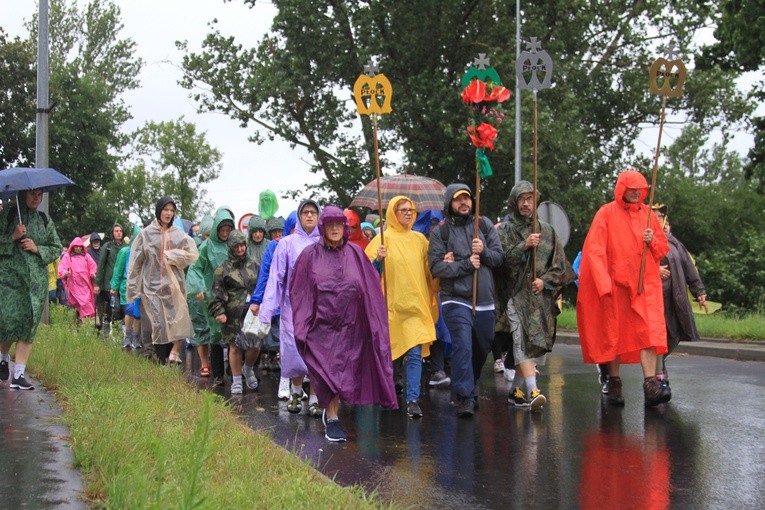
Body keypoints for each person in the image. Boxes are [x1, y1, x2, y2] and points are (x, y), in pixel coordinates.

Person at [291, 206, 397, 441]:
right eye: (330, 224)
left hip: (351, 326)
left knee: (344, 372)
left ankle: (334, 414)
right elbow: (299, 292)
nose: (335, 228)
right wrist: (302, 324)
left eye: (339, 224)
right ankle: (333, 417)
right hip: (321, 328)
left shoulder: (356, 254)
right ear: (323, 228)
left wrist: (378, 262)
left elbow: (369, 286)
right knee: (328, 373)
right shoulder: (309, 255)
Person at [577, 170, 671, 407]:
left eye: (640, 188)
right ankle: (614, 381)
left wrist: (653, 241)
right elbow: (594, 251)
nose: (636, 192)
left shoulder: (649, 216)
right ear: (621, 189)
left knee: (648, 334)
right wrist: (603, 284)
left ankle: (651, 384)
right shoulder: (606, 214)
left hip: (644, 287)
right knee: (614, 336)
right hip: (616, 287)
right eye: (631, 188)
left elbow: (662, 250)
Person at [428, 184, 504, 417]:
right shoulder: (441, 232)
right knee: (462, 345)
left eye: (467, 199)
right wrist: (465, 263)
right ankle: (465, 396)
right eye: (458, 199)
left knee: (482, 348)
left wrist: (483, 252)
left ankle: (470, 382)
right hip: (456, 300)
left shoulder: (484, 224)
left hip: (485, 299)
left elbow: (499, 258)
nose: (464, 203)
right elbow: (436, 267)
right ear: (450, 203)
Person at [497, 181, 574, 411]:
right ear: (514, 201)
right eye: (522, 199)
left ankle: (516, 390)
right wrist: (523, 246)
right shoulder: (505, 230)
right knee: (521, 340)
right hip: (514, 296)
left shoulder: (548, 232)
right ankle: (533, 389)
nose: (526, 203)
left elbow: (562, 268)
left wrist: (545, 281)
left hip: (540, 299)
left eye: (530, 198)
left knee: (535, 344)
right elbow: (499, 262)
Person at [366, 197, 438, 418]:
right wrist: (377, 260)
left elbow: (431, 270)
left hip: (415, 308)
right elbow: (367, 277)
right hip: (389, 309)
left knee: (415, 354)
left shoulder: (420, 240)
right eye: (403, 210)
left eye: (411, 210)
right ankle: (386, 393)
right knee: (390, 355)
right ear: (392, 213)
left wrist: (445, 263)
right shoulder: (381, 240)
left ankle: (412, 400)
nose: (409, 213)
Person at [258, 200, 323, 417]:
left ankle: (315, 397)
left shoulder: (324, 242)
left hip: (320, 307)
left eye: (314, 212)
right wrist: (267, 310)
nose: (310, 216)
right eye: (305, 212)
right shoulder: (286, 244)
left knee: (317, 352)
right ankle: (296, 391)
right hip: (292, 306)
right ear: (299, 216)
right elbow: (276, 277)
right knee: (295, 350)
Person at [0, 189, 63, 390]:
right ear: (22, 195)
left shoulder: (44, 220)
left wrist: (37, 248)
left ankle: (19, 375)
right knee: (9, 322)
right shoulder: (8, 216)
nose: (36, 198)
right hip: (10, 281)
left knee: (29, 325)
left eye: (39, 195)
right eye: (32, 194)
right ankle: (3, 358)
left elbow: (56, 247)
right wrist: (12, 236)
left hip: (35, 282)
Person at [126, 197, 199, 362]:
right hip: (151, 288)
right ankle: (161, 362)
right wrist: (133, 289)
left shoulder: (178, 234)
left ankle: (168, 358)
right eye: (165, 209)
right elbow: (136, 262)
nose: (169, 213)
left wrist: (174, 256)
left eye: (172, 210)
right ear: (159, 211)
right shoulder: (146, 234)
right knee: (158, 324)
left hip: (172, 287)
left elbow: (192, 254)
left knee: (172, 324)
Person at [652, 205, 709, 394]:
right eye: (654, 215)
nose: (658, 219)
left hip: (676, 297)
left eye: (661, 216)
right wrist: (654, 269)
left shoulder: (673, 242)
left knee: (675, 335)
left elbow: (688, 267)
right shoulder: (642, 239)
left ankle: (658, 367)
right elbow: (631, 264)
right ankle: (657, 376)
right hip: (653, 298)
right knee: (658, 336)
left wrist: (698, 290)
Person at [186, 208, 236, 379]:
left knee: (232, 332)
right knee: (215, 333)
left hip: (232, 294)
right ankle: (218, 375)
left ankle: (233, 369)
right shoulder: (207, 246)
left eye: (228, 230)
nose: (225, 233)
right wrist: (198, 288)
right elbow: (195, 267)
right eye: (222, 230)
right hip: (213, 295)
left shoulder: (234, 243)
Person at [209, 230, 261, 394]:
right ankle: (237, 380)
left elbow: (264, 285)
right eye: (236, 246)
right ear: (230, 248)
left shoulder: (255, 264)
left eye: (242, 245)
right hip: (232, 314)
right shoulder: (222, 269)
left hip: (253, 312)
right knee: (235, 347)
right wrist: (219, 312)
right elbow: (216, 294)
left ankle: (248, 368)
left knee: (255, 345)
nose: (240, 249)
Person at [249, 213, 293, 384]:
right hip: (273, 298)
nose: (277, 235)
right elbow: (266, 274)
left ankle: (292, 377)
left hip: (294, 301)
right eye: (274, 232)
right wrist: (257, 299)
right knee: (266, 335)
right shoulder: (273, 246)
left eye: (280, 231)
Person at [110, 223, 143, 350]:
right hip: (127, 286)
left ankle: (136, 337)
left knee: (138, 313)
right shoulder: (125, 252)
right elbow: (118, 270)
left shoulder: (143, 252)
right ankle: (128, 336)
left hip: (140, 287)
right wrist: (114, 286)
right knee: (129, 310)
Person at [94, 223, 126, 332]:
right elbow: (101, 265)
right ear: (112, 233)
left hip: (122, 283)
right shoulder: (107, 246)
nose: (119, 233)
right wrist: (97, 284)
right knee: (112, 309)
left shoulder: (125, 247)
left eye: (120, 231)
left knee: (121, 309)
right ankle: (106, 332)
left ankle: (118, 332)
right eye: (116, 231)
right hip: (108, 282)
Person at [58, 237, 98, 323]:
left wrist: (92, 273)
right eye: (76, 246)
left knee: (86, 303)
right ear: (72, 247)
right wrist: (65, 273)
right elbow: (61, 268)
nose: (78, 248)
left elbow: (93, 266)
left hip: (85, 284)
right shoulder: (67, 257)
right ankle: (80, 323)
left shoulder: (86, 256)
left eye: (80, 246)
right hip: (74, 284)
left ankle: (84, 324)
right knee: (79, 304)